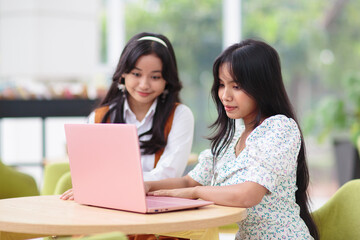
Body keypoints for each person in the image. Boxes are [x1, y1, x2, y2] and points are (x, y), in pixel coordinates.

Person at [145, 39, 319, 239]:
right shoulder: (232, 136)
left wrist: (196, 193)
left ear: (262, 86)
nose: (225, 95)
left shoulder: (280, 128)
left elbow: (248, 194)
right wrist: (148, 185)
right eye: (221, 85)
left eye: (236, 86)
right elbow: (188, 182)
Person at [61, 32, 194, 201]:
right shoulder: (99, 117)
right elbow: (89, 172)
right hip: (107, 203)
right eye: (136, 74)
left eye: (155, 77)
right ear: (123, 74)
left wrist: (109, 184)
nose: (144, 84)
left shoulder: (180, 116)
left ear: (167, 80)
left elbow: (169, 173)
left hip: (158, 205)